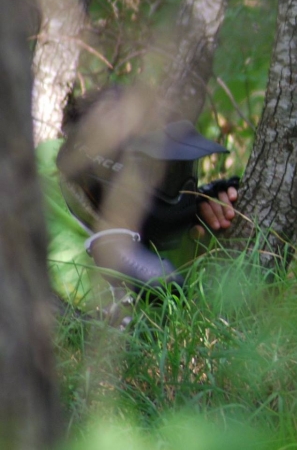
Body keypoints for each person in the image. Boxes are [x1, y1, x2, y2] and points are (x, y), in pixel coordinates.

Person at [38, 86, 240, 317]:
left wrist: (217, 201)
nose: (186, 193)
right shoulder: (58, 254)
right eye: (162, 176)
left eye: (180, 171)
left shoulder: (65, 166)